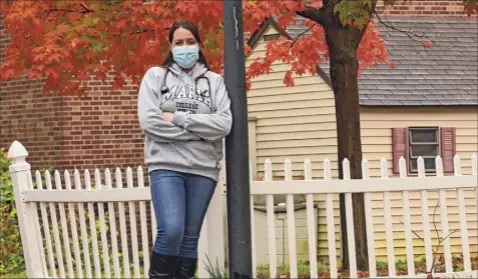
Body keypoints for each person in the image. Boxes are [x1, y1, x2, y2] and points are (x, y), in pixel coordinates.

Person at [137, 20, 232, 279]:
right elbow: (150, 122)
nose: (185, 47)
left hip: (203, 169)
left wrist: (177, 118)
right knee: (171, 230)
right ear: (171, 46)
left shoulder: (214, 82)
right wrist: (199, 134)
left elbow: (223, 124)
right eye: (179, 43)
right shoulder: (156, 76)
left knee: (190, 237)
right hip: (166, 165)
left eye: (190, 42)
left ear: (200, 45)